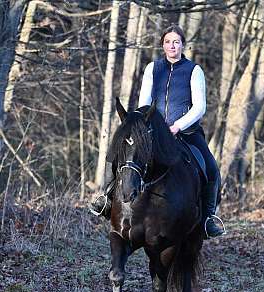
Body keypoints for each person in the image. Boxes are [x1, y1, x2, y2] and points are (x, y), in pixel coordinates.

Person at [91, 25, 225, 238]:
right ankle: (106, 199)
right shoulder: (153, 68)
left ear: (182, 44)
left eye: (176, 42)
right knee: (118, 152)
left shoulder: (194, 70)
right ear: (163, 45)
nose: (172, 46)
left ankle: (209, 218)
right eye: (168, 42)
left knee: (210, 166)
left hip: (186, 133)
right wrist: (139, 124)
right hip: (154, 132)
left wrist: (177, 125)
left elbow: (200, 107)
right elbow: (144, 102)